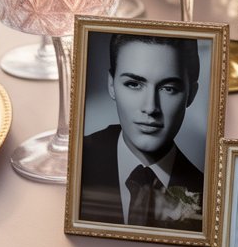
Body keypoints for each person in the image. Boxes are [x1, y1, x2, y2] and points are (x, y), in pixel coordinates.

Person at [80, 33, 204, 231]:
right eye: (134, 84)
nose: (150, 107)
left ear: (191, 94)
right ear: (111, 85)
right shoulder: (78, 160)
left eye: (168, 88)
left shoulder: (207, 192)